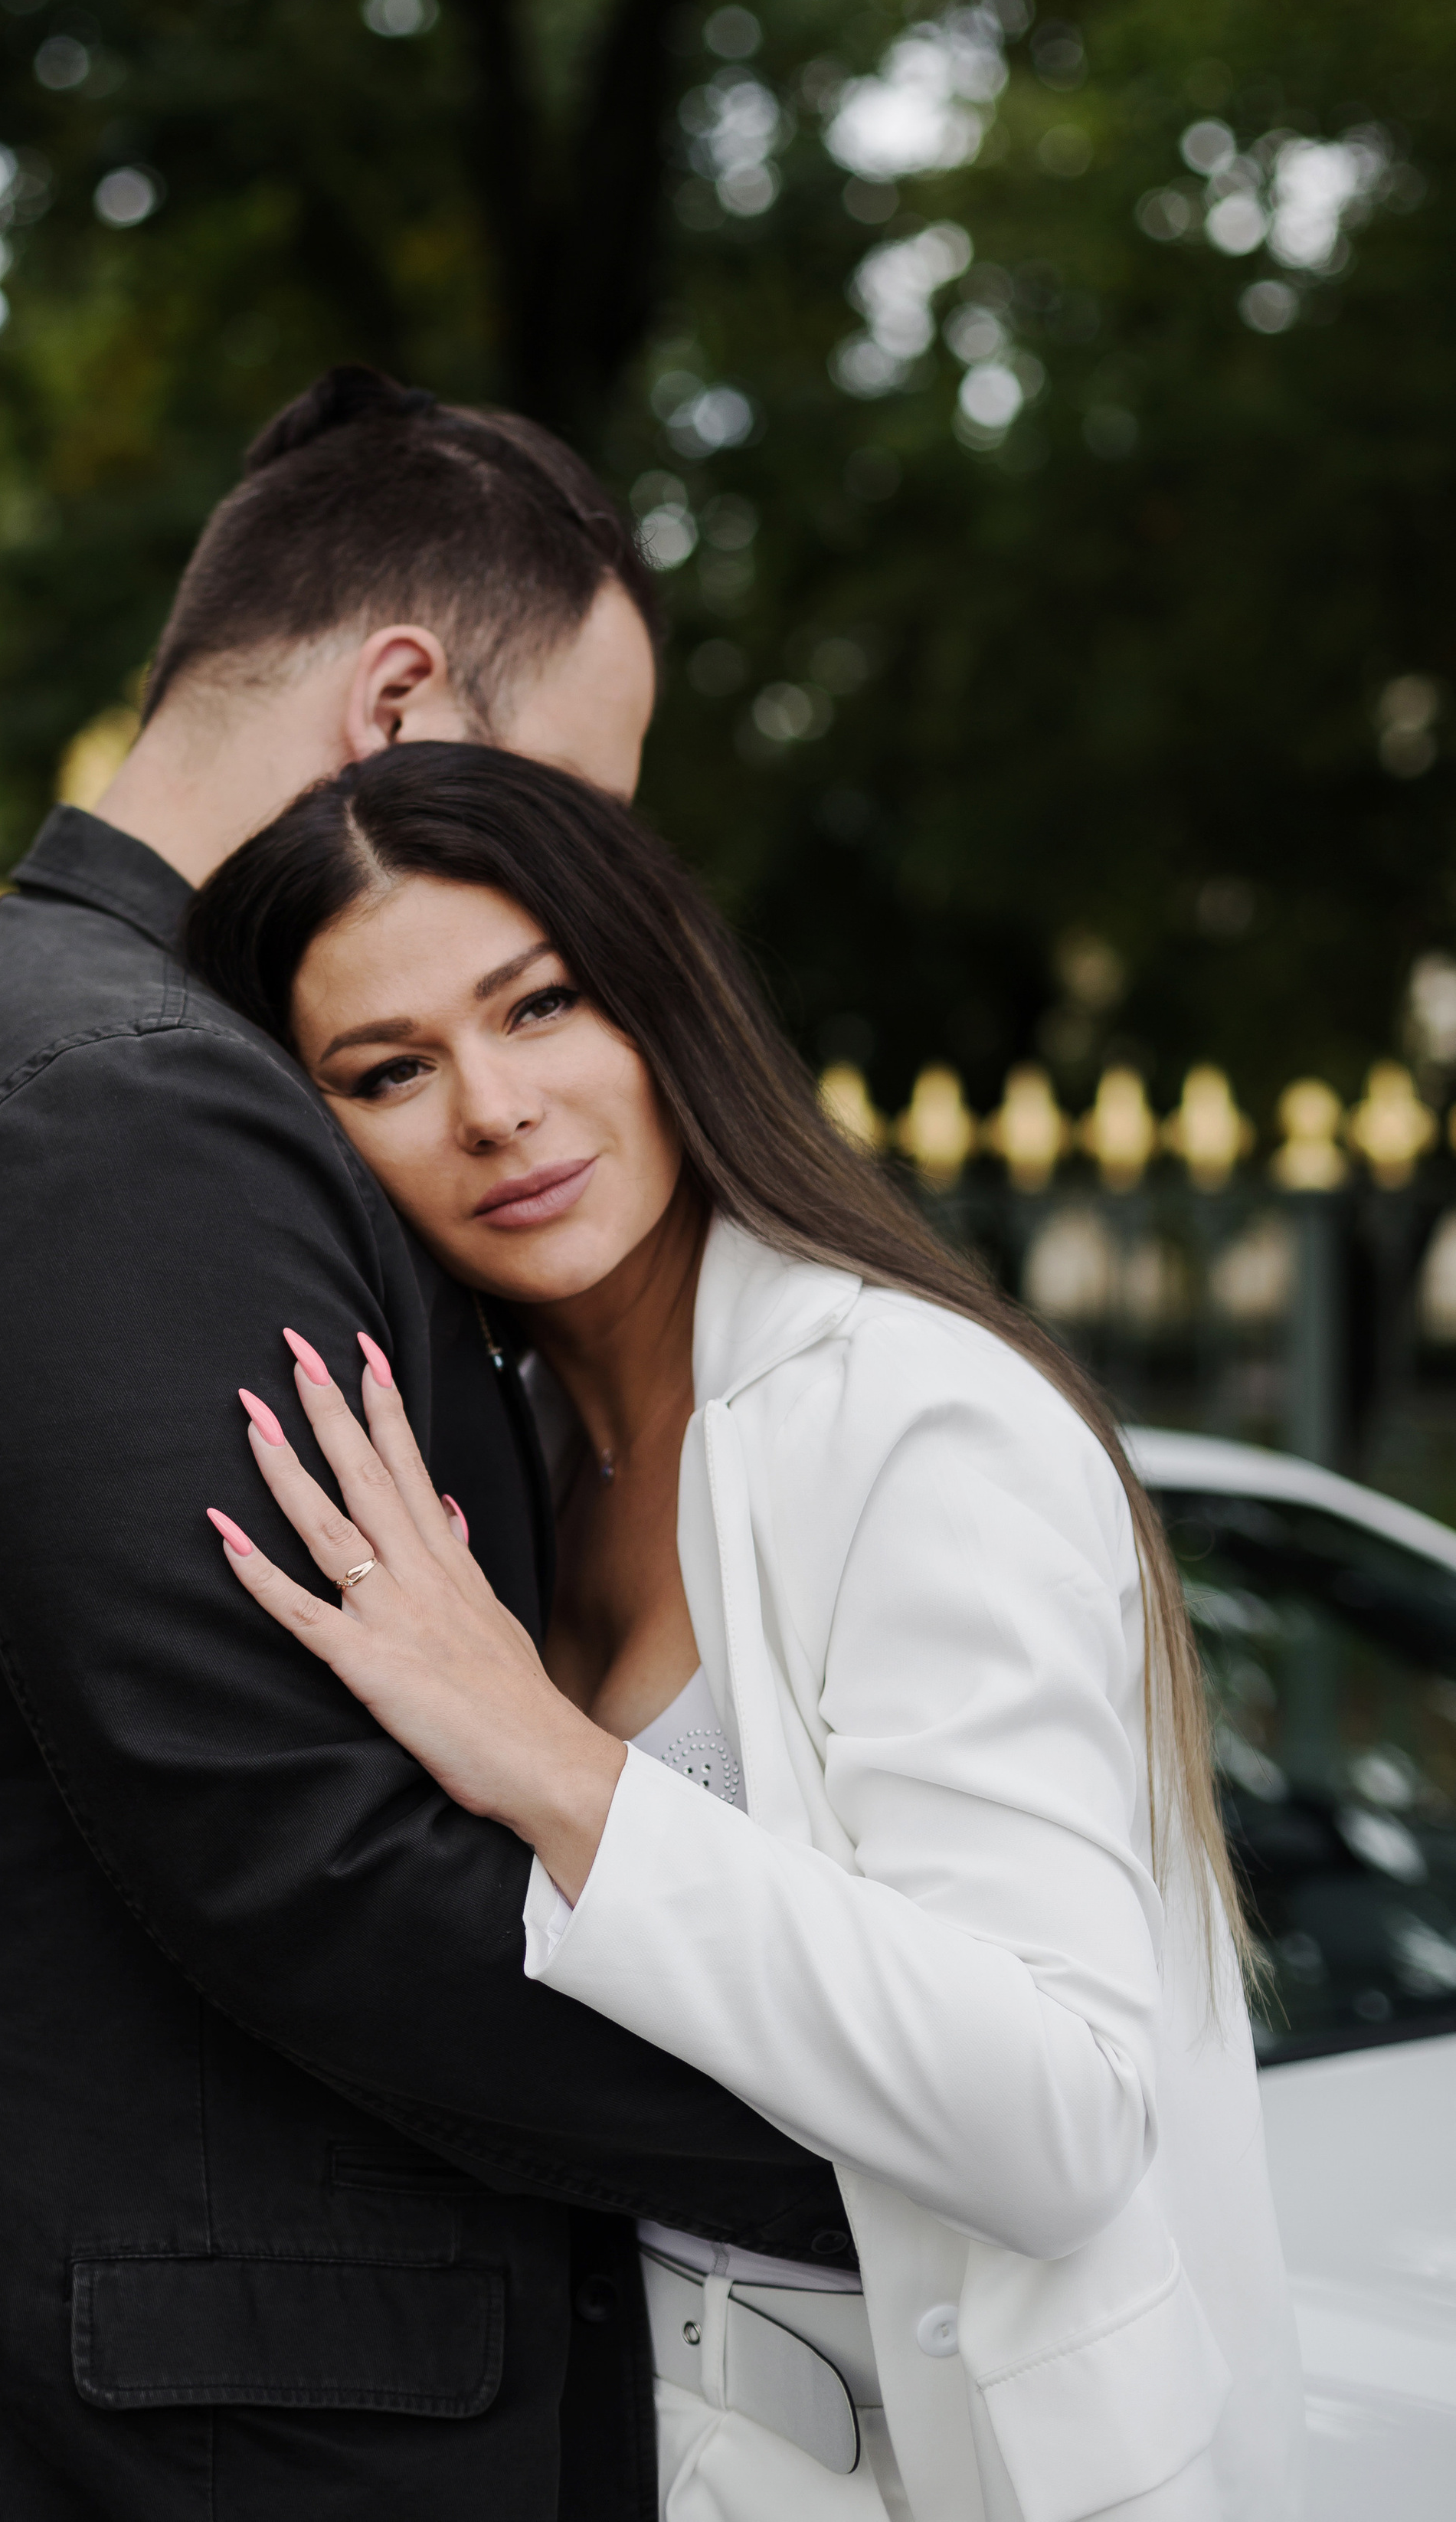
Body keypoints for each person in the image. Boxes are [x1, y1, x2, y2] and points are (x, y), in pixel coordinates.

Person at [0, 368, 856, 2522]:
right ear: (402, 714)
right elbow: (318, 1870)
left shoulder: (61, 1058)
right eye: (577, 804)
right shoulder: (119, 1109)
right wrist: (911, 2146)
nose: (587, 904)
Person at [183, 741, 1307, 2522]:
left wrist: (547, 1759)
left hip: (946, 2465)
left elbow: (1065, 2115)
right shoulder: (520, 1458)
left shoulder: (907, 1420)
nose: (491, 1106)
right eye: (388, 1069)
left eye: (537, 1004)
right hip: (634, 2437)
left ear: (658, 1001)